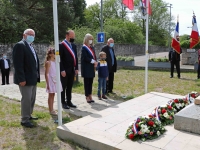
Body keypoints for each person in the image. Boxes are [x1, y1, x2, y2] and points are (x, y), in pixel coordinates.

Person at [12, 28, 40, 128]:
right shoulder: (20, 45)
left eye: (33, 35)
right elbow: (18, 64)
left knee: (32, 98)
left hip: (32, 78)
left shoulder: (31, 46)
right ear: (24, 35)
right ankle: (24, 119)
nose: (31, 36)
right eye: (29, 34)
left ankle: (29, 115)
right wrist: (21, 79)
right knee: (26, 99)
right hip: (25, 79)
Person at [59, 30, 78, 109]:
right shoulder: (61, 45)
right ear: (67, 36)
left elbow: (75, 57)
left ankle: (69, 101)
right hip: (64, 70)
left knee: (70, 86)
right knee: (63, 87)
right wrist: (62, 69)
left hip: (72, 69)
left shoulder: (73, 46)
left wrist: (76, 68)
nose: (73, 38)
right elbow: (59, 59)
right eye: (72, 37)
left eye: (74, 37)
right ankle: (63, 102)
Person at [44, 47, 62, 120]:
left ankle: (52, 108)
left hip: (56, 79)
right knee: (50, 94)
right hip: (51, 80)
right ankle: (51, 109)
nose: (55, 55)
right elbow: (46, 74)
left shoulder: (55, 61)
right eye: (54, 53)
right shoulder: (48, 62)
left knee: (53, 94)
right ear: (51, 54)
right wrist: (48, 83)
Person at [81, 33, 97, 103]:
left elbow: (94, 56)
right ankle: (87, 96)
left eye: (92, 39)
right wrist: (93, 61)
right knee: (86, 82)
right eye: (90, 39)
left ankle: (90, 95)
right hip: (86, 67)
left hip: (92, 67)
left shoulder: (92, 47)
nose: (91, 40)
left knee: (91, 82)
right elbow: (85, 58)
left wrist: (96, 62)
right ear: (87, 39)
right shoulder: (84, 48)